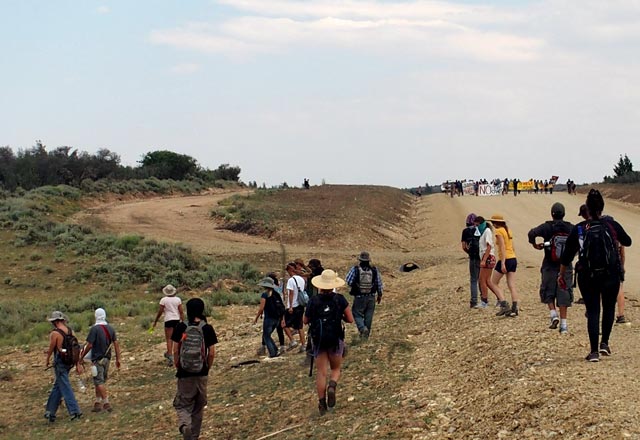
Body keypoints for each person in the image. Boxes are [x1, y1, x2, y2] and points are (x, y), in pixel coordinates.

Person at [559, 189, 632, 362]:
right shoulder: (611, 225)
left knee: (592, 310)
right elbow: (628, 241)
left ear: (588, 210)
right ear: (602, 207)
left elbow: (567, 255)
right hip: (611, 274)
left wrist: (562, 274)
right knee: (608, 308)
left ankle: (593, 352)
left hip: (588, 275)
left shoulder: (580, 228)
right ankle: (605, 343)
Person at [304, 269, 354, 415]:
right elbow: (350, 319)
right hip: (335, 338)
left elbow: (305, 320)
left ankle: (321, 404)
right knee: (336, 369)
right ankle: (332, 385)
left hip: (318, 340)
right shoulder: (340, 299)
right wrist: (340, 317)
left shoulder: (313, 300)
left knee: (321, 372)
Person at [171, 298, 217, 440]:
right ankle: (194, 436)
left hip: (185, 374)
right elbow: (212, 352)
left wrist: (178, 365)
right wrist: (207, 368)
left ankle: (185, 426)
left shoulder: (181, 327)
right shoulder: (207, 328)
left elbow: (175, 350)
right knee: (198, 407)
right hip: (201, 373)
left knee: (183, 405)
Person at [528, 202, 573, 333]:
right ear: (564, 214)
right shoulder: (570, 228)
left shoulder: (547, 227)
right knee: (564, 291)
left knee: (548, 289)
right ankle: (564, 325)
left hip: (549, 263)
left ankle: (553, 314)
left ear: (552, 214)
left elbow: (531, 233)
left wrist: (535, 245)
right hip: (566, 264)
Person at [79, 308, 121, 413]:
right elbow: (116, 344)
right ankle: (97, 403)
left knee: (98, 381)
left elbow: (89, 345)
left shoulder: (94, 329)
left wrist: (81, 356)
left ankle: (106, 403)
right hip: (107, 358)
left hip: (97, 359)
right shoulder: (110, 329)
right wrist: (118, 358)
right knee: (100, 381)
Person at [44, 311, 83, 423]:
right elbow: (76, 348)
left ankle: (75, 412)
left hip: (60, 362)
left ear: (55, 322)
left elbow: (51, 349)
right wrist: (77, 364)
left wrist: (47, 360)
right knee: (58, 386)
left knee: (65, 386)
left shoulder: (55, 334)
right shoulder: (71, 331)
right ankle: (50, 412)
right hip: (69, 362)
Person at [475, 216, 510, 314]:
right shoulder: (484, 232)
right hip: (486, 257)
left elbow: (489, 246)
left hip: (488, 258)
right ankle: (499, 298)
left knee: (482, 280)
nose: (476, 227)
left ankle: (484, 301)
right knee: (487, 281)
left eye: (477, 225)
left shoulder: (487, 232)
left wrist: (484, 260)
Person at [346, 251, 384, 338]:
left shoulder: (355, 269)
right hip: (371, 297)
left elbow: (348, 281)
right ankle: (365, 337)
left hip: (359, 297)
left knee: (356, 313)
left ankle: (362, 329)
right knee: (369, 316)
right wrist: (379, 295)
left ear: (360, 260)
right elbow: (379, 283)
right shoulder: (374, 270)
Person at [490, 214, 520, 317]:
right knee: (511, 285)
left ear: (495, 223)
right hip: (512, 258)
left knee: (493, 282)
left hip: (505, 259)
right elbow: (512, 245)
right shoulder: (508, 230)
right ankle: (515, 308)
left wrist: (502, 262)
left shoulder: (499, 231)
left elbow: (502, 247)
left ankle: (504, 304)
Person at [152, 284, 184, 365]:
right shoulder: (178, 299)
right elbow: (181, 311)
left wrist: (156, 321)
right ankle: (177, 355)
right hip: (176, 319)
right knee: (176, 338)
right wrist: (183, 321)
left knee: (169, 339)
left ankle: (170, 356)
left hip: (168, 320)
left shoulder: (163, 300)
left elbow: (160, 311)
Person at [254, 277, 284, 358]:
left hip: (269, 318)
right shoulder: (276, 294)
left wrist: (256, 318)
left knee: (266, 336)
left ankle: (273, 353)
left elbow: (261, 308)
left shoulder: (265, 295)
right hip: (277, 318)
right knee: (268, 335)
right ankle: (275, 350)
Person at [284, 262, 306, 351]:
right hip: (301, 305)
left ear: (290, 270)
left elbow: (291, 294)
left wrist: (290, 306)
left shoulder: (291, 280)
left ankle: (292, 341)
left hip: (293, 305)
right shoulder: (301, 279)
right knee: (300, 326)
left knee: (284, 324)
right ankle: (303, 345)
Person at [460, 213, 481, 308]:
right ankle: (484, 298)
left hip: (473, 257)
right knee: (482, 278)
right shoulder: (481, 230)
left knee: (473, 279)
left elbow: (464, 246)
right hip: (482, 257)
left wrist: (469, 252)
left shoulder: (465, 231)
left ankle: (474, 301)